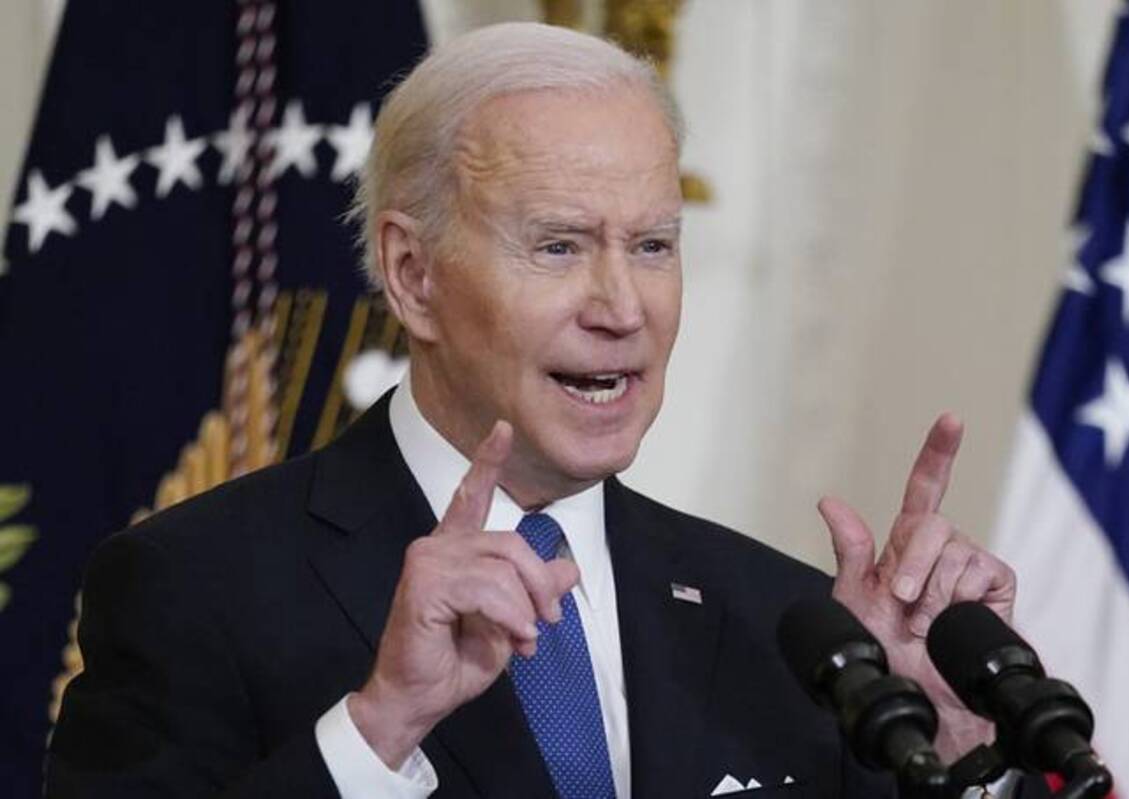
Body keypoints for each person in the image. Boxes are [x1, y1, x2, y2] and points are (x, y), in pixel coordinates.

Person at [47, 22, 1036, 799]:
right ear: (411, 273)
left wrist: (952, 746)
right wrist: (378, 728)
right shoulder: (194, 588)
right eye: (559, 246)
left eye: (650, 246)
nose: (620, 308)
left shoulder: (786, 622)